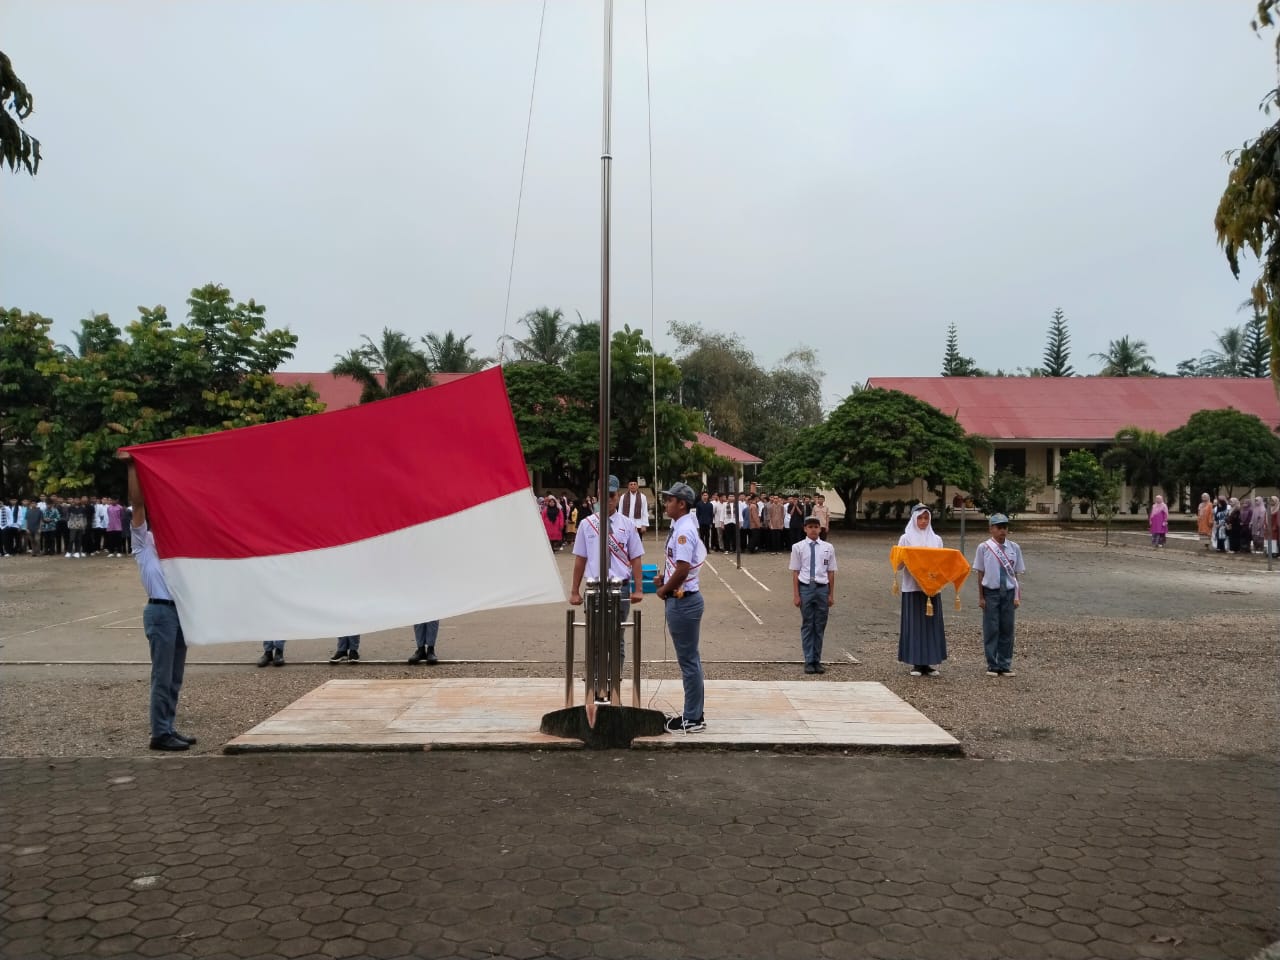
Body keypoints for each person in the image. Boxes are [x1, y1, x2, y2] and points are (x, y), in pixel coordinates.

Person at [123, 453, 195, 751]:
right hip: (160, 611)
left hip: (180, 613)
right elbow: (137, 504)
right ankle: (159, 733)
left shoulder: (176, 546)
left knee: (174, 677)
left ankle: (168, 726)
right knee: (162, 676)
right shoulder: (144, 543)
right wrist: (133, 465)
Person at [569, 474, 644, 667]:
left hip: (621, 588)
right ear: (598, 496)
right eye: (604, 495)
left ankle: (615, 680)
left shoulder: (628, 525)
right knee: (594, 637)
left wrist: (638, 589)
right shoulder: (587, 524)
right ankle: (594, 679)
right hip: (595, 588)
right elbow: (580, 559)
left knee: (616, 638)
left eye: (612, 495)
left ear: (617, 496)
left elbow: (636, 558)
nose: (608, 500)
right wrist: (574, 591)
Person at [655, 482, 707, 734]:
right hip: (682, 597)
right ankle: (694, 713)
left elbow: (684, 568)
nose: (666, 504)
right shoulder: (680, 527)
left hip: (683, 600)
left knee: (688, 661)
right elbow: (677, 565)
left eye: (670, 500)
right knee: (689, 660)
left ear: (682, 504)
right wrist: (665, 579)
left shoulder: (684, 530)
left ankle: (693, 718)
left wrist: (664, 589)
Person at [895, 504, 947, 678]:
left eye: (926, 518)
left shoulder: (936, 539)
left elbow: (941, 562)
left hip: (931, 588)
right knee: (915, 624)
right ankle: (916, 662)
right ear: (914, 519)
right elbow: (899, 565)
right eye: (920, 518)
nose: (923, 521)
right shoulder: (906, 538)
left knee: (931, 625)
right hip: (913, 587)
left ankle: (929, 661)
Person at [972, 513, 1026, 677]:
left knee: (1007, 628)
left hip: (1008, 592)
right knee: (991, 628)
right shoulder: (984, 548)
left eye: (1005, 527)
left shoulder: (1014, 548)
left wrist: (1017, 596)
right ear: (991, 529)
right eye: (999, 527)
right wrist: (981, 597)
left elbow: (1015, 575)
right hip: (991, 592)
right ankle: (993, 664)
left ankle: (1005, 663)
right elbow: (980, 573)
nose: (1003, 530)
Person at [790, 515, 836, 674]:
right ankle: (809, 660)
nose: (813, 530)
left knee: (820, 624)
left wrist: (830, 594)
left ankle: (817, 659)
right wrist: (796, 595)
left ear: (820, 529)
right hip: (806, 588)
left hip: (822, 588)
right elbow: (795, 572)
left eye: (816, 527)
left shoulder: (828, 547)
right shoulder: (798, 547)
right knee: (808, 624)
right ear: (805, 529)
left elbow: (831, 572)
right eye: (810, 527)